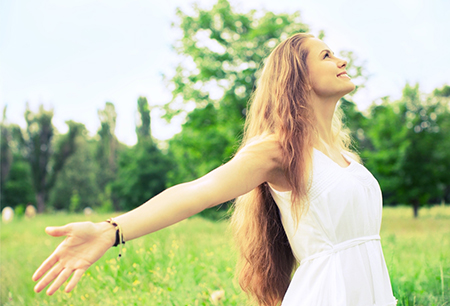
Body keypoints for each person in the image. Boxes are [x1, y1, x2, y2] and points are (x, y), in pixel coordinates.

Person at [32, 33, 397, 305]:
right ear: (297, 75)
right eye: (327, 55)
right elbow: (196, 192)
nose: (341, 61)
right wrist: (110, 230)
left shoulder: (344, 155)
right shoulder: (278, 149)